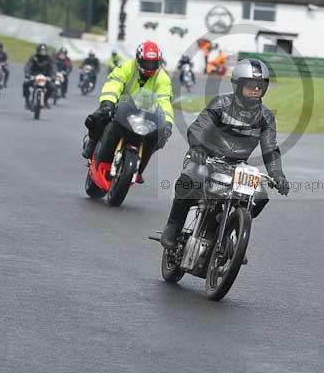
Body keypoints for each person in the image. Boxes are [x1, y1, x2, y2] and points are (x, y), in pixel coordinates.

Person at [159, 59, 290, 249]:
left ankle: (229, 228)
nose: (255, 89)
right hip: (205, 156)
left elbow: (270, 147)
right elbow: (199, 128)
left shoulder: (266, 116)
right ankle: (173, 226)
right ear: (238, 85)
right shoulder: (221, 103)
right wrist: (197, 149)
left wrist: (278, 174)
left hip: (237, 165)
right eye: (250, 85)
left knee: (260, 194)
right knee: (192, 178)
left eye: (260, 85)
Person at [82, 40, 174, 182]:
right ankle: (92, 143)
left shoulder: (163, 77)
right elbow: (115, 82)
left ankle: (139, 169)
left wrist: (167, 123)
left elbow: (164, 100)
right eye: (146, 63)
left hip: (146, 113)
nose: (149, 67)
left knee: (159, 138)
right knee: (96, 118)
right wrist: (108, 102)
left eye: (153, 64)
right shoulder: (127, 66)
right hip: (120, 106)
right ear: (138, 59)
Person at [23, 44, 56, 109]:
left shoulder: (49, 59)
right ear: (38, 51)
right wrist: (27, 74)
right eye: (41, 51)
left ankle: (45, 100)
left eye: (44, 51)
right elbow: (28, 66)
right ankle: (27, 101)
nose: (42, 52)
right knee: (25, 84)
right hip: (34, 76)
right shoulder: (34, 57)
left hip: (46, 77)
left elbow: (53, 68)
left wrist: (52, 76)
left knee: (52, 87)